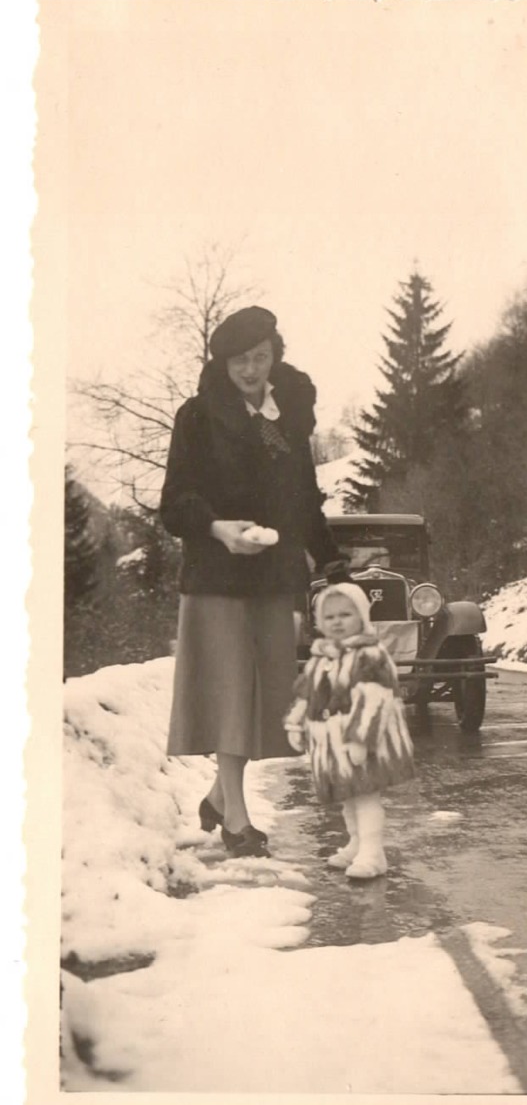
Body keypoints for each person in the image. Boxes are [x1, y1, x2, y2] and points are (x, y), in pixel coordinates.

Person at [160, 306, 348, 858]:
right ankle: (237, 823)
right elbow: (174, 505)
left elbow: (304, 499)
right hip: (217, 576)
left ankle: (219, 796)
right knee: (229, 691)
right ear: (223, 363)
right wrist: (218, 530)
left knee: (262, 693)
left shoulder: (287, 417)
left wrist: (330, 560)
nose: (250, 369)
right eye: (239, 360)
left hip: (273, 573)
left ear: (275, 356)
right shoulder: (196, 417)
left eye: (260, 357)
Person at [283, 583, 415, 879]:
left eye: (346, 614)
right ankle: (356, 843)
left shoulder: (369, 654)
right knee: (348, 796)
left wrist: (360, 738)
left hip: (364, 740)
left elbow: (375, 698)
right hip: (331, 741)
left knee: (366, 795)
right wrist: (296, 722)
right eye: (329, 617)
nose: (338, 622)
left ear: (362, 617)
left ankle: (373, 853)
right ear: (319, 622)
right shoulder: (322, 657)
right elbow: (306, 693)